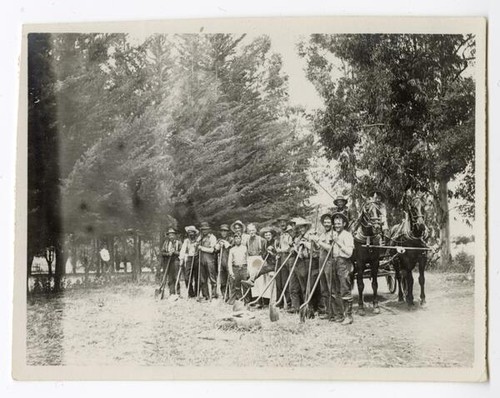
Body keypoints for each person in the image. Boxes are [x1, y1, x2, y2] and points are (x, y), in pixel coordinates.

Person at [330, 212, 355, 325]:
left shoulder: (347, 235)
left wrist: (338, 243)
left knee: (345, 289)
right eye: (335, 224)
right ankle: (339, 315)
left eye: (339, 223)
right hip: (334, 262)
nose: (337, 225)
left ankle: (349, 316)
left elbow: (349, 253)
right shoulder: (334, 234)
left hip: (344, 263)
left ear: (344, 224)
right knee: (335, 290)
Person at [312, 214, 336, 319]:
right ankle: (327, 311)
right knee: (324, 289)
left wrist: (318, 241)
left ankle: (335, 313)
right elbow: (318, 248)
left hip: (329, 263)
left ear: (332, 223)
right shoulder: (323, 234)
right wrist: (313, 240)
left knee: (332, 289)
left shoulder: (334, 234)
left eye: (328, 222)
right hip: (321, 263)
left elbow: (330, 248)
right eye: (325, 222)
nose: (326, 224)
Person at [288, 218, 314, 313]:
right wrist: (294, 247)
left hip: (309, 262)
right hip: (300, 262)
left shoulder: (311, 235)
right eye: (300, 227)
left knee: (307, 286)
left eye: (303, 227)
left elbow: (314, 248)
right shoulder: (299, 237)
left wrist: (305, 243)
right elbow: (297, 250)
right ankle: (302, 307)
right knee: (302, 285)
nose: (301, 229)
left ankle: (309, 307)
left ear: (306, 227)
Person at [274, 216, 293, 308]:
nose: (282, 224)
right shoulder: (280, 235)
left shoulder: (290, 233)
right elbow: (279, 246)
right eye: (281, 222)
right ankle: (281, 303)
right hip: (281, 258)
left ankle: (290, 303)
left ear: (287, 223)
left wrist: (281, 251)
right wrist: (278, 252)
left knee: (289, 281)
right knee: (281, 282)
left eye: (284, 222)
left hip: (289, 258)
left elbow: (291, 247)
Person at [227, 234, 250, 304]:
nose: (237, 240)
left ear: (241, 239)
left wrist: (248, 270)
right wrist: (231, 272)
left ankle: (247, 301)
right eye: (236, 239)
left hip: (244, 268)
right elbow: (229, 262)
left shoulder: (245, 248)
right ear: (234, 240)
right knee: (236, 286)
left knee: (245, 285)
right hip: (235, 268)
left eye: (239, 238)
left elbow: (248, 259)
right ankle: (239, 300)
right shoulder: (232, 249)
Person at [197, 222, 218, 300]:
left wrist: (201, 248)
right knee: (202, 278)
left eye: (206, 229)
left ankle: (214, 295)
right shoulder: (200, 237)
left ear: (208, 229)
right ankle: (206, 295)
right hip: (201, 259)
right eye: (203, 230)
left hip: (210, 260)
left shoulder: (212, 237)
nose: (204, 231)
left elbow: (212, 250)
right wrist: (197, 243)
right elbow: (196, 245)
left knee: (212, 278)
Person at [180, 225, 200, 298]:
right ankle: (190, 293)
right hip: (189, 258)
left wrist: (197, 247)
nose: (191, 234)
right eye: (189, 232)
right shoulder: (186, 241)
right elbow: (183, 250)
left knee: (197, 276)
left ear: (195, 233)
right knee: (187, 277)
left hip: (197, 258)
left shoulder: (198, 240)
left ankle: (197, 292)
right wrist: (181, 259)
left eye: (192, 232)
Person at [161, 227, 182, 294]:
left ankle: (178, 293)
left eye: (172, 235)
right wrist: (168, 254)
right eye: (169, 235)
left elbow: (182, 253)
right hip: (168, 262)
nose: (171, 236)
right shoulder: (166, 243)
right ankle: (171, 293)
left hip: (176, 261)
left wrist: (175, 252)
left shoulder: (179, 243)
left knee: (176, 277)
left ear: (175, 235)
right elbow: (162, 253)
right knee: (170, 278)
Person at [214, 224, 232, 300]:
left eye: (225, 231)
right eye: (222, 231)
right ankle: (225, 295)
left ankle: (232, 295)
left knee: (230, 279)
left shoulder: (231, 239)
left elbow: (233, 248)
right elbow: (215, 251)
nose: (224, 233)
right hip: (221, 262)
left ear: (227, 232)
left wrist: (227, 244)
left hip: (229, 262)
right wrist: (217, 247)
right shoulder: (219, 240)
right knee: (222, 280)